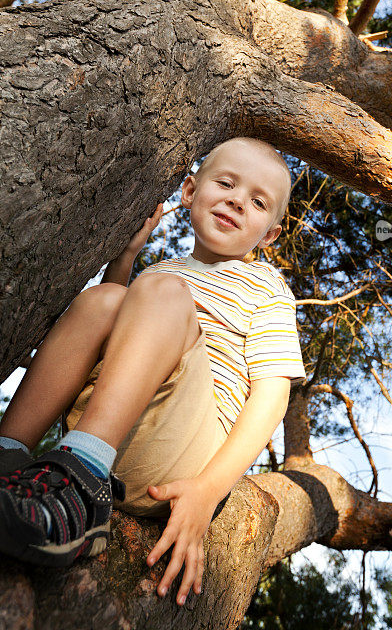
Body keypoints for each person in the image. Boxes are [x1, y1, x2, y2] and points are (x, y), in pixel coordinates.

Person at [0, 137, 305, 606]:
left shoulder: (266, 288)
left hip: (183, 453)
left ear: (268, 235)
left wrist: (207, 492)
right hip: (113, 435)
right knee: (105, 299)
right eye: (225, 183)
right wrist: (123, 261)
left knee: (159, 293)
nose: (237, 200)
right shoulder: (161, 272)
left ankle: (81, 484)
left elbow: (272, 398)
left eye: (258, 202)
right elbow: (108, 339)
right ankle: (10, 454)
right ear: (188, 191)